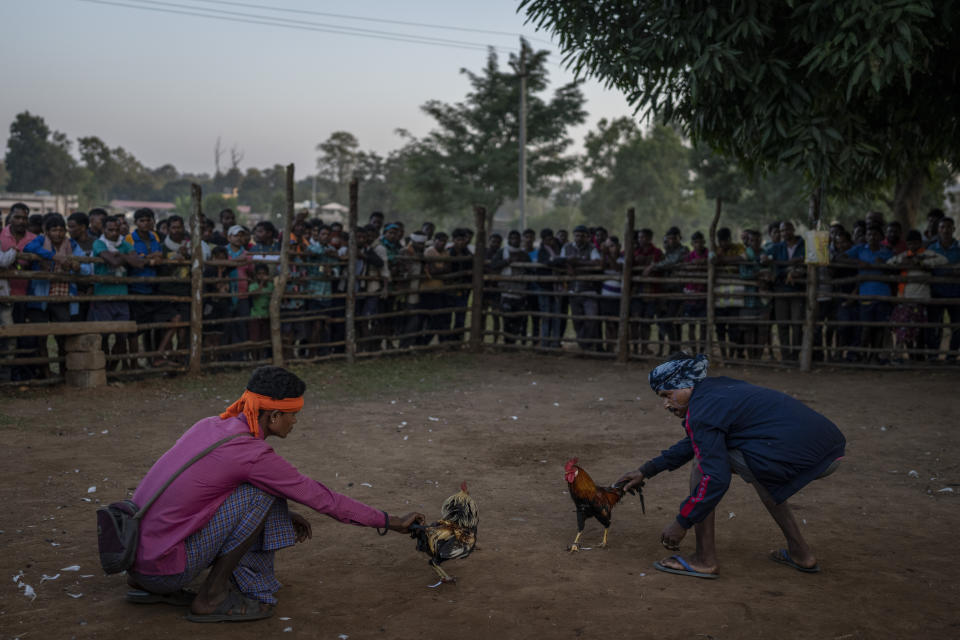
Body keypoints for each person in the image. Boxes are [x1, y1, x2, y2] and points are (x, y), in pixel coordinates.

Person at [125, 366, 424, 621]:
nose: (295, 422)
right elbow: (324, 499)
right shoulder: (252, 454)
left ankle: (156, 584)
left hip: (137, 561)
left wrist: (283, 513)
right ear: (274, 415)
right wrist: (391, 521)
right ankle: (212, 597)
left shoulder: (210, 426)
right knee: (263, 494)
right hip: (163, 572)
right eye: (293, 415)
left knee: (263, 491)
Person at [617, 354, 845, 579]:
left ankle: (704, 559)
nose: (666, 404)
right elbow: (696, 441)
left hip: (803, 455)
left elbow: (715, 477)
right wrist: (647, 470)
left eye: (668, 394)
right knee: (753, 469)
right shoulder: (715, 390)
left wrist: (682, 522)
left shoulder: (702, 410)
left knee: (704, 465)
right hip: (827, 449)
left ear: (686, 385)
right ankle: (800, 553)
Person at [90, 215, 144, 370]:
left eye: (116, 230)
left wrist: (119, 255)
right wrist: (126, 258)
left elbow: (138, 263)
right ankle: (103, 369)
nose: (114, 233)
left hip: (121, 296)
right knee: (103, 336)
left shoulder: (124, 243)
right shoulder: (99, 243)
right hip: (103, 296)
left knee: (122, 336)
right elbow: (113, 261)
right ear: (104, 229)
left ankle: (111, 368)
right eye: (110, 230)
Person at [887, 230, 947, 360]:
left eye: (915, 243)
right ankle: (912, 355)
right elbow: (890, 262)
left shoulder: (927, 254)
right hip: (906, 298)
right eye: (910, 244)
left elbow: (943, 260)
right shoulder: (905, 255)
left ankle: (920, 356)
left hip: (923, 297)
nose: (912, 246)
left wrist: (922, 263)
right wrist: (904, 263)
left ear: (920, 243)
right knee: (907, 329)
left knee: (921, 330)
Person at [927, 217, 960, 359]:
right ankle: (934, 356)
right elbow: (926, 267)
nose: (945, 230)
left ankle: (952, 355)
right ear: (938, 230)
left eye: (948, 227)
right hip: (936, 293)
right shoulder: (931, 248)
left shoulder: (959, 249)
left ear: (953, 229)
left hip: (956, 293)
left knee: (957, 326)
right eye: (942, 227)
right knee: (934, 326)